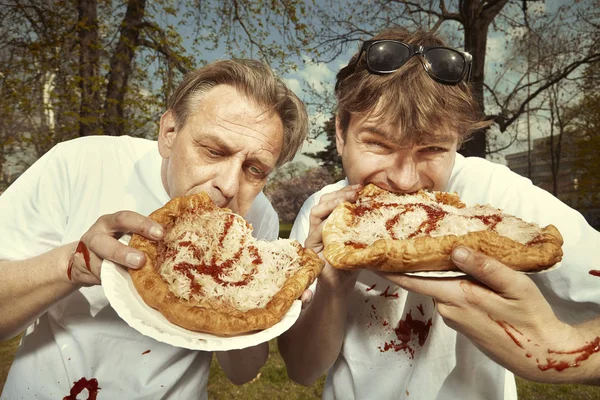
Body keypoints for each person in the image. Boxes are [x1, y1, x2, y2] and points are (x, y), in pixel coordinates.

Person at [278, 27, 600, 399]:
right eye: (379, 144)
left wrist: (561, 349)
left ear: (457, 142)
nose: (404, 180)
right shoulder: (323, 213)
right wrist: (332, 288)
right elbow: (302, 371)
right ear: (340, 131)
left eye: (431, 148)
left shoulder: (491, 197)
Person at [0, 59, 308, 399]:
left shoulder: (257, 218)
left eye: (254, 170)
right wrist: (69, 267)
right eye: (214, 151)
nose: (230, 186)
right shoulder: (81, 163)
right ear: (169, 133)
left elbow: (242, 372)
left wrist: (256, 298)